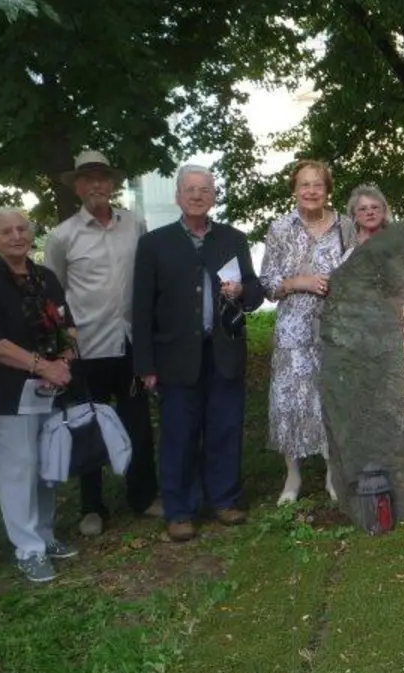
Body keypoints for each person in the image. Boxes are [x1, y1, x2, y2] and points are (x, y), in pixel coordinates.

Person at [133, 165, 265, 543]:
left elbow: (254, 292)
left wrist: (241, 293)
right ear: (177, 196)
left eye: (204, 190)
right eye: (190, 189)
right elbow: (140, 308)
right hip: (174, 357)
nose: (196, 196)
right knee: (179, 434)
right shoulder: (154, 244)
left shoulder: (232, 239)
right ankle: (180, 510)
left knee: (225, 429)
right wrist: (145, 364)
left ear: (213, 197)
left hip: (223, 351)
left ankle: (224, 500)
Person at [44, 150, 158, 536]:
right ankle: (92, 507)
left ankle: (143, 496)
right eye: (88, 178)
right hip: (87, 347)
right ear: (76, 187)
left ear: (113, 184)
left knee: (138, 423)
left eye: (103, 178)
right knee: (87, 425)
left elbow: (145, 280)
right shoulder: (62, 237)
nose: (96, 185)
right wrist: (65, 338)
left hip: (129, 343)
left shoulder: (135, 225)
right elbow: (52, 294)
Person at [0, 208, 80, 583]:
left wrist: (64, 360)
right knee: (18, 470)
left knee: (47, 466)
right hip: (8, 391)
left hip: (50, 388)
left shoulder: (45, 277)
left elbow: (68, 326)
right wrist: (42, 366)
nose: (17, 236)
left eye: (22, 229)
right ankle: (27, 548)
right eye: (7, 232)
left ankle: (45, 536)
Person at [260, 160, 357, 505]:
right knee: (290, 398)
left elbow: (358, 274)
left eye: (318, 185)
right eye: (304, 185)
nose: (311, 191)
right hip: (293, 328)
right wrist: (297, 282)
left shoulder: (345, 227)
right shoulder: (280, 229)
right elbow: (267, 284)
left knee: (329, 396)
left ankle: (333, 474)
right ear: (294, 190)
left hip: (334, 326)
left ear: (328, 189)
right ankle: (293, 476)